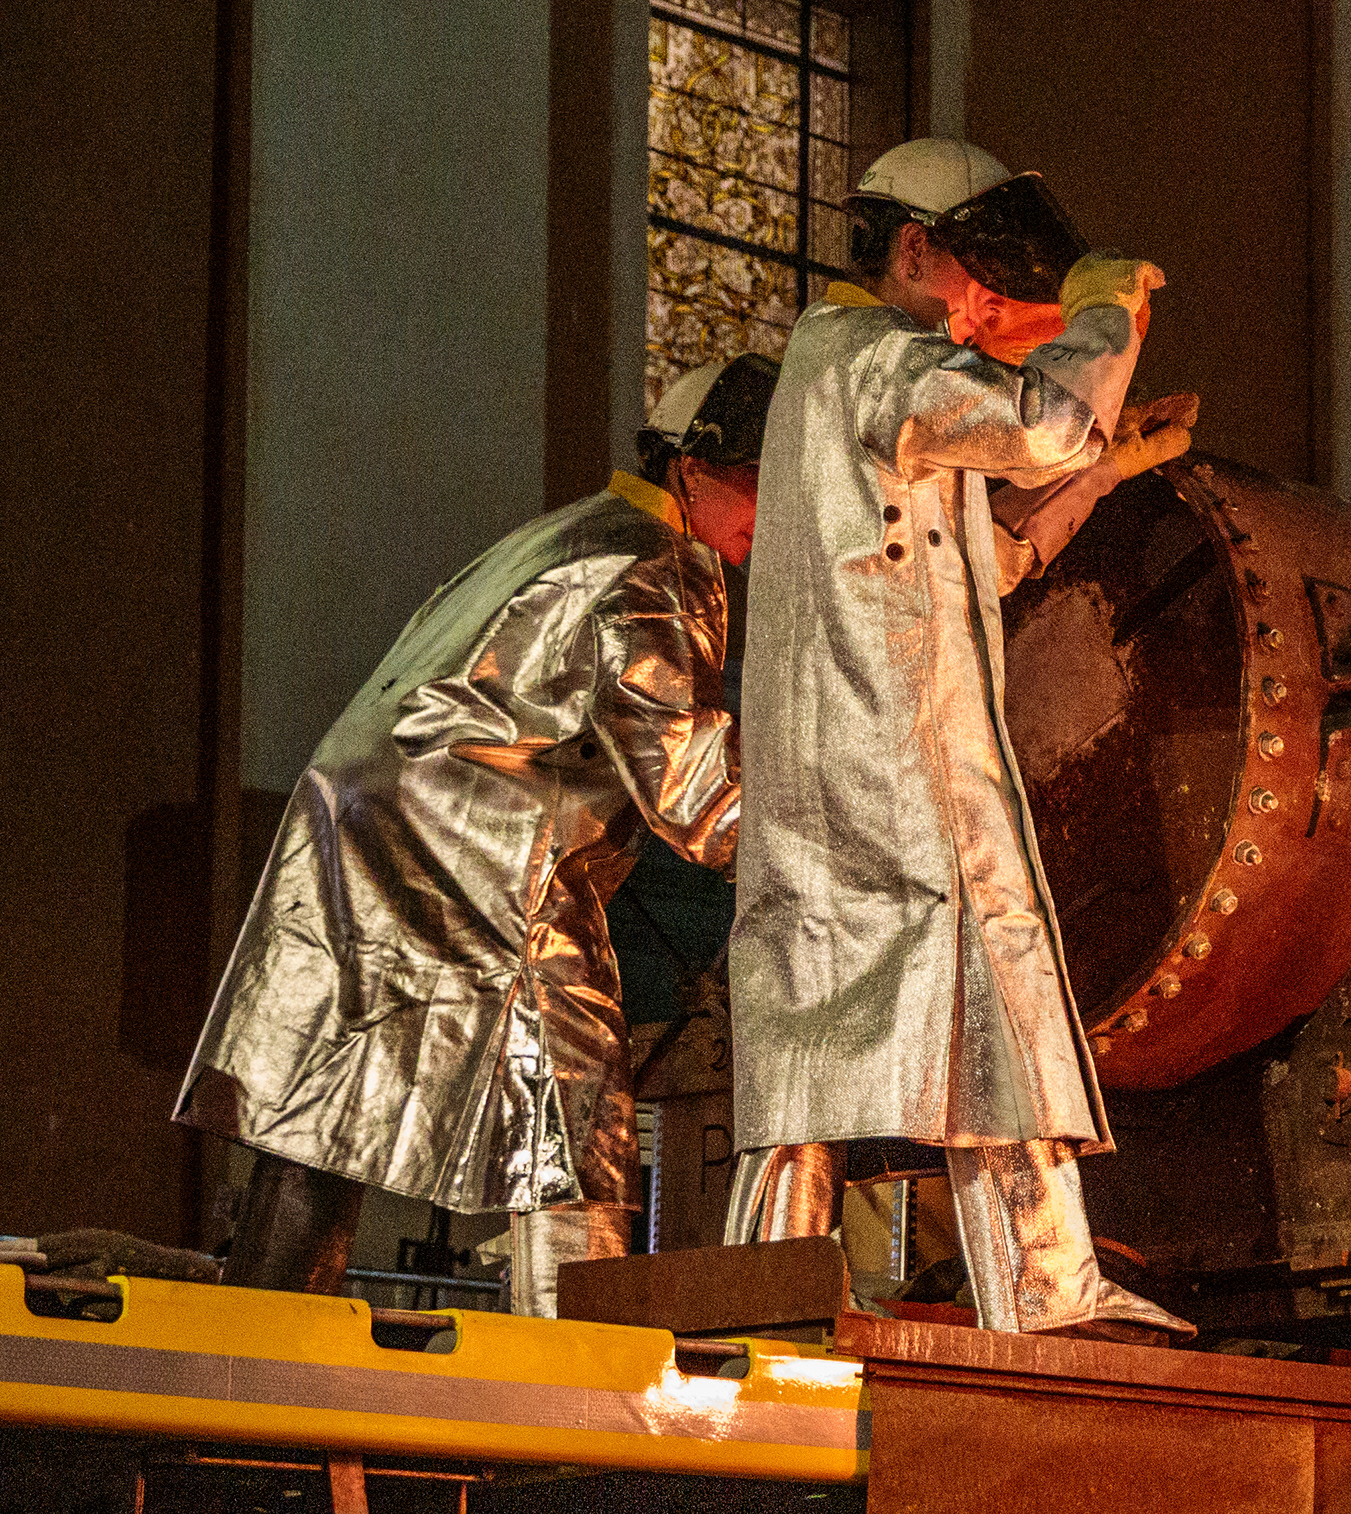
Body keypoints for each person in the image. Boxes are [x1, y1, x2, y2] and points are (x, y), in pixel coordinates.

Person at [181, 356, 777, 1318]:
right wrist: (832, 855)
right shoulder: (660, 564)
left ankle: (255, 1364)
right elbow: (693, 788)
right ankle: (569, 1407)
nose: (767, 519)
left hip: (367, 828)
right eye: (758, 486)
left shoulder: (563, 531)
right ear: (693, 467)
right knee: (573, 1118)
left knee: (322, 1116)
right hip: (486, 855)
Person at [721, 137, 1196, 1337]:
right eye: (975, 280)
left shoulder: (826, 384)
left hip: (828, 766)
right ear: (913, 249)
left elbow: (989, 562)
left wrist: (1110, 464)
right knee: (996, 974)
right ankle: (1046, 1286)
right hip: (901, 748)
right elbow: (1038, 426)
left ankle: (762, 1293)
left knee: (809, 1032)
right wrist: (1104, 314)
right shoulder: (876, 356)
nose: (983, 312)